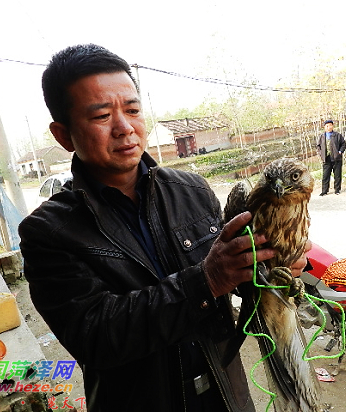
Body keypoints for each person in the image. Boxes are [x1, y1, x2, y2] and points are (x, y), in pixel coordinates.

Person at [18, 44, 310, 412]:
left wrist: (271, 269)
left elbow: (237, 283)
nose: (125, 128)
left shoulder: (193, 191)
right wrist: (206, 281)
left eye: (132, 110)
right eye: (102, 115)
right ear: (63, 135)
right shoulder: (48, 233)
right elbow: (96, 336)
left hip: (226, 396)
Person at [316, 119, 346, 195]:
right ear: (324, 127)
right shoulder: (322, 136)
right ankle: (324, 191)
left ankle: (337, 190)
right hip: (326, 159)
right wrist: (321, 154)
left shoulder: (337, 135)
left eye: (330, 125)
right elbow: (318, 146)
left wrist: (340, 151)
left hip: (336, 158)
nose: (328, 127)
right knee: (325, 176)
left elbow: (343, 144)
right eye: (327, 126)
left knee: (337, 175)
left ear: (332, 126)